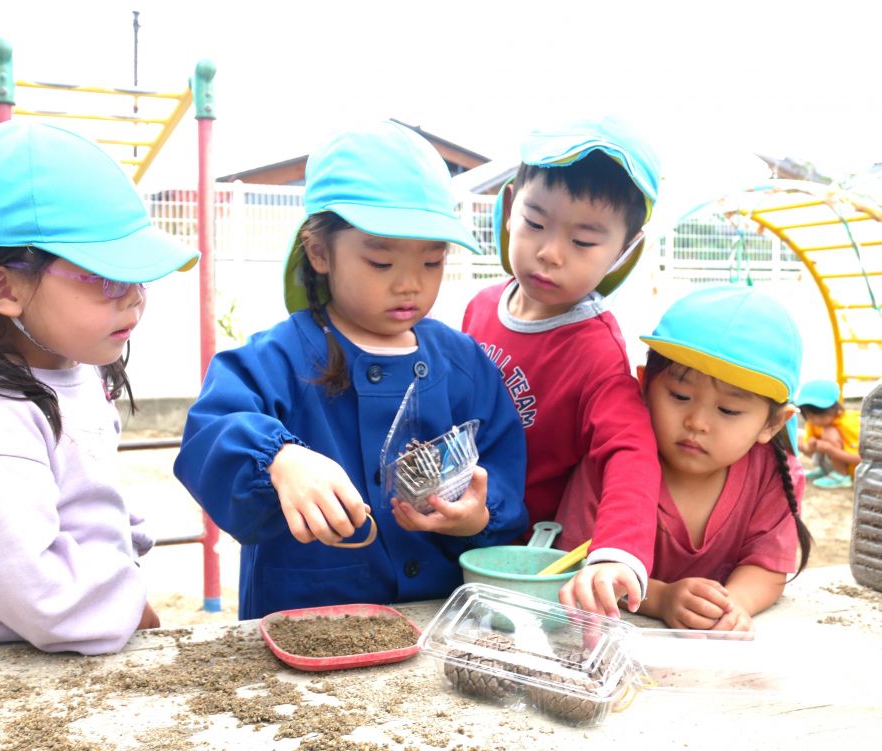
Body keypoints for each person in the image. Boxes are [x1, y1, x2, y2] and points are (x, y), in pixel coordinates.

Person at [174, 121, 529, 620]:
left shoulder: (464, 365)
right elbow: (211, 431)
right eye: (381, 263)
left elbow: (502, 471)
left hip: (433, 623)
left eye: (432, 262)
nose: (410, 284)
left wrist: (478, 518)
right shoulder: (280, 357)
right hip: (304, 621)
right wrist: (279, 459)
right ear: (320, 252)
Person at [0, 121, 199, 655]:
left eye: (137, 275)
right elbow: (38, 593)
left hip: (64, 649)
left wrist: (124, 539)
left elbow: (84, 493)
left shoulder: (76, 371)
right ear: (3, 288)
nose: (133, 299)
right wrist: (127, 601)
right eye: (105, 278)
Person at [462, 116, 661, 618]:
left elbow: (631, 452)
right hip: (450, 525)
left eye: (584, 242)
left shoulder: (596, 351)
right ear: (509, 209)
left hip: (519, 565)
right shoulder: (482, 306)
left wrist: (616, 553)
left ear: (624, 251)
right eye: (534, 223)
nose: (549, 253)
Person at [559, 285, 813, 631]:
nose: (697, 422)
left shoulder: (774, 474)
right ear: (644, 384)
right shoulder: (612, 461)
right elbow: (577, 567)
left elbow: (768, 566)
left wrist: (734, 604)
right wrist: (662, 599)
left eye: (729, 409)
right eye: (679, 395)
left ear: (773, 423)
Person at [795, 379, 861, 489]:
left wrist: (831, 450)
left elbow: (862, 459)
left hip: (854, 469)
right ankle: (826, 470)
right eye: (810, 416)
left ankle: (841, 475)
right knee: (798, 442)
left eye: (821, 415)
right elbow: (808, 450)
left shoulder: (848, 423)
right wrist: (810, 447)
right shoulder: (812, 423)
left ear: (835, 408)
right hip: (834, 460)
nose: (816, 421)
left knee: (829, 432)